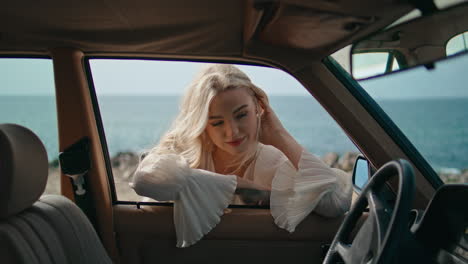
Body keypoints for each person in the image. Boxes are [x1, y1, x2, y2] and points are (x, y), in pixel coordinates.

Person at [131, 64, 352, 247]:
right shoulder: (186, 157)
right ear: (202, 125)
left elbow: (335, 203)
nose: (232, 132)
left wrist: (280, 135)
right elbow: (145, 181)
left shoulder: (274, 162)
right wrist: (238, 185)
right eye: (217, 122)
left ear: (259, 108)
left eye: (242, 115)